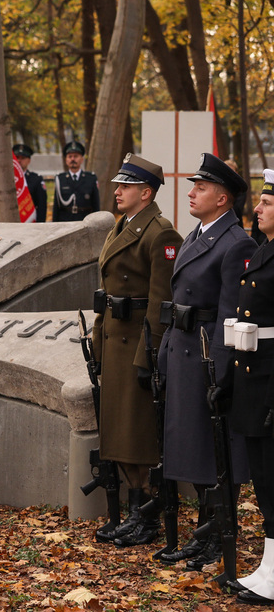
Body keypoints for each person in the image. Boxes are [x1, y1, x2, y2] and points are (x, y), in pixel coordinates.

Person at [156, 153, 254, 568]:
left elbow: (232, 312)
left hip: (206, 356)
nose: (191, 193)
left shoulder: (235, 242)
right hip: (182, 350)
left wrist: (220, 370)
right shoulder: (198, 233)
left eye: (201, 188)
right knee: (191, 448)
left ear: (223, 199)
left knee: (216, 452)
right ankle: (203, 531)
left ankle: (219, 533)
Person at [92, 153, 182, 546]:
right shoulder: (123, 226)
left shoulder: (160, 233)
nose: (117, 191)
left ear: (146, 193)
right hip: (114, 339)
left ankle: (145, 515)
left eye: (125, 186)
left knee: (137, 434)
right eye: (118, 185)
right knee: (119, 431)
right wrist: (98, 344)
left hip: (136, 345)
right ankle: (134, 511)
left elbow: (162, 302)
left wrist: (149, 356)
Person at [228, 169, 274, 604]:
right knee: (264, 477)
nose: (257, 208)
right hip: (254, 378)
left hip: (269, 383)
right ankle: (269, 565)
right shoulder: (266, 250)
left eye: (267, 203)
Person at [53, 140, 100, 222]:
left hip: (85, 221)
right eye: (70, 156)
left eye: (76, 156)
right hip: (65, 222)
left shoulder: (91, 178)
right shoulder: (60, 179)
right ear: (66, 160)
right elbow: (56, 206)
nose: (72, 159)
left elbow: (96, 205)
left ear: (82, 159)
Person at [14, 143, 46, 223]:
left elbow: (42, 206)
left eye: (23, 158)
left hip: (30, 222)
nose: (19, 160)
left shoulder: (36, 179)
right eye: (17, 157)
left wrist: (39, 227)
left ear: (29, 160)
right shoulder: (6, 179)